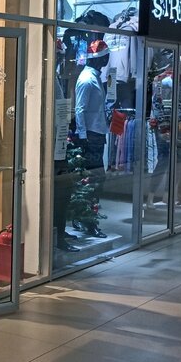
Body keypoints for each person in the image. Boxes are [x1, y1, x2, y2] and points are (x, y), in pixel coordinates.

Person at [74, 40, 110, 238]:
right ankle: (88, 221)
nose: (108, 59)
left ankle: (84, 218)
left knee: (93, 179)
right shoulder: (87, 79)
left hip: (96, 133)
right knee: (93, 180)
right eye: (106, 56)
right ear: (100, 58)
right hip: (91, 135)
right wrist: (83, 136)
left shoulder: (94, 77)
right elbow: (79, 109)